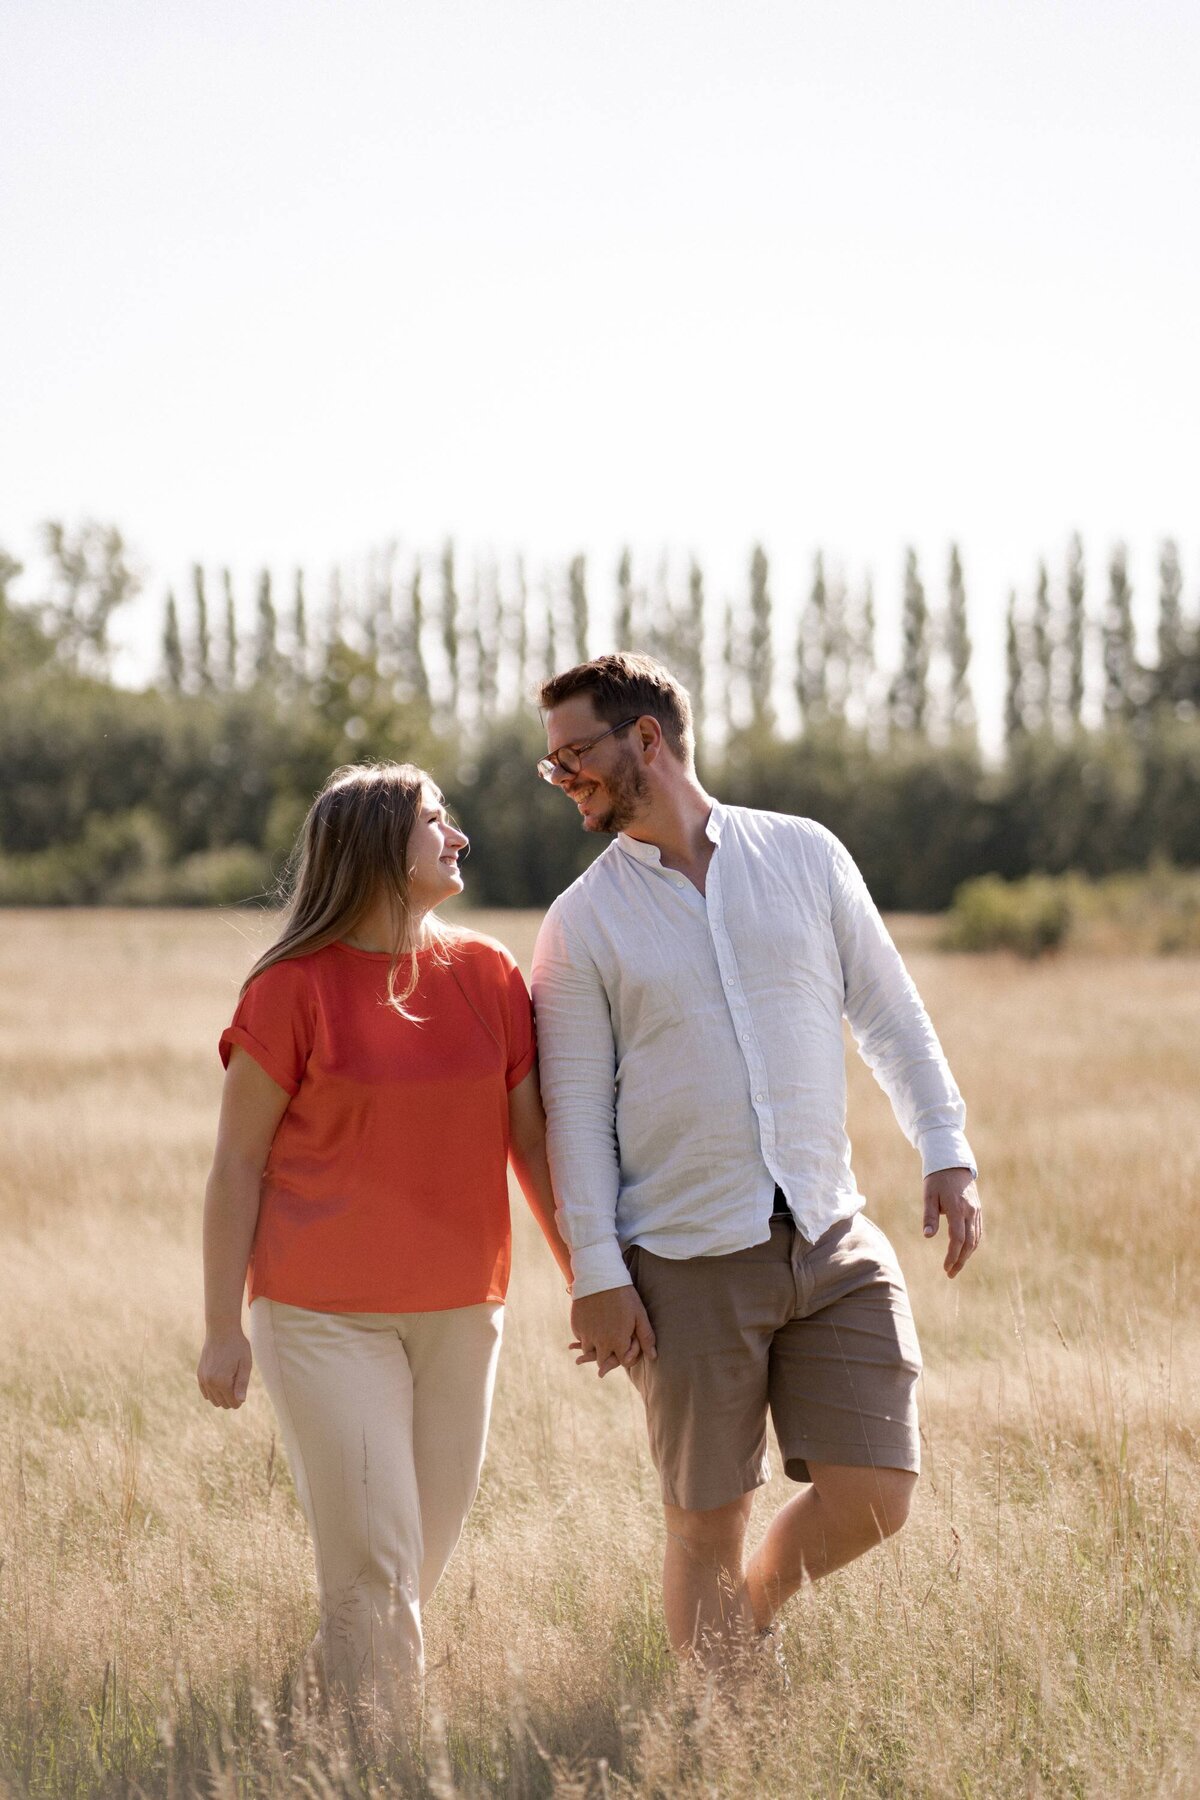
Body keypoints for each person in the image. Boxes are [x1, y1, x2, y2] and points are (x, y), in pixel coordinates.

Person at [530, 654, 982, 1665]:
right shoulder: (581, 923)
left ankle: (755, 1613)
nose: (565, 781)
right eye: (551, 765)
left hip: (831, 1231)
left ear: (648, 739)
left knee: (878, 1493)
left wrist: (946, 1148)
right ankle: (720, 1732)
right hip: (687, 1259)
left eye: (578, 757)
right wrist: (597, 1274)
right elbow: (573, 1119)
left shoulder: (806, 856)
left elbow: (890, 1014)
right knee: (706, 1524)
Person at [197, 761, 571, 1722]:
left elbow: (532, 1145)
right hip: (320, 1317)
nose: (459, 838)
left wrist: (589, 1278)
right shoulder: (291, 989)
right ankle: (384, 1763)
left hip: (462, 1314)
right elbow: (236, 1165)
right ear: (376, 847)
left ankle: (302, 1725)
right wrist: (221, 1329)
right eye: (436, 822)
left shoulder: (488, 974)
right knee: (375, 1566)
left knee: (409, 1560)